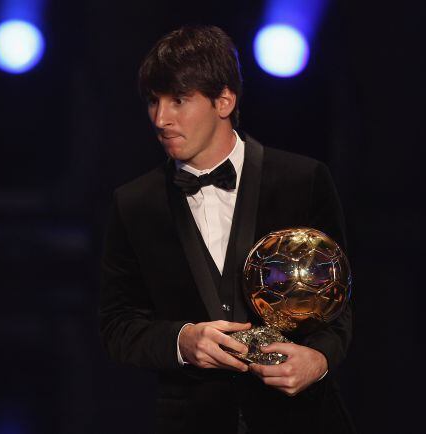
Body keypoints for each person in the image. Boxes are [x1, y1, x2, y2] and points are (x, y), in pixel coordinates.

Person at [99, 25, 353, 433]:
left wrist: (318, 360)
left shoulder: (303, 180)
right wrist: (182, 341)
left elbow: (339, 301)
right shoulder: (134, 203)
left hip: (302, 419)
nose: (161, 119)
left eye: (179, 100)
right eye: (153, 101)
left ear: (224, 100)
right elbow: (118, 326)